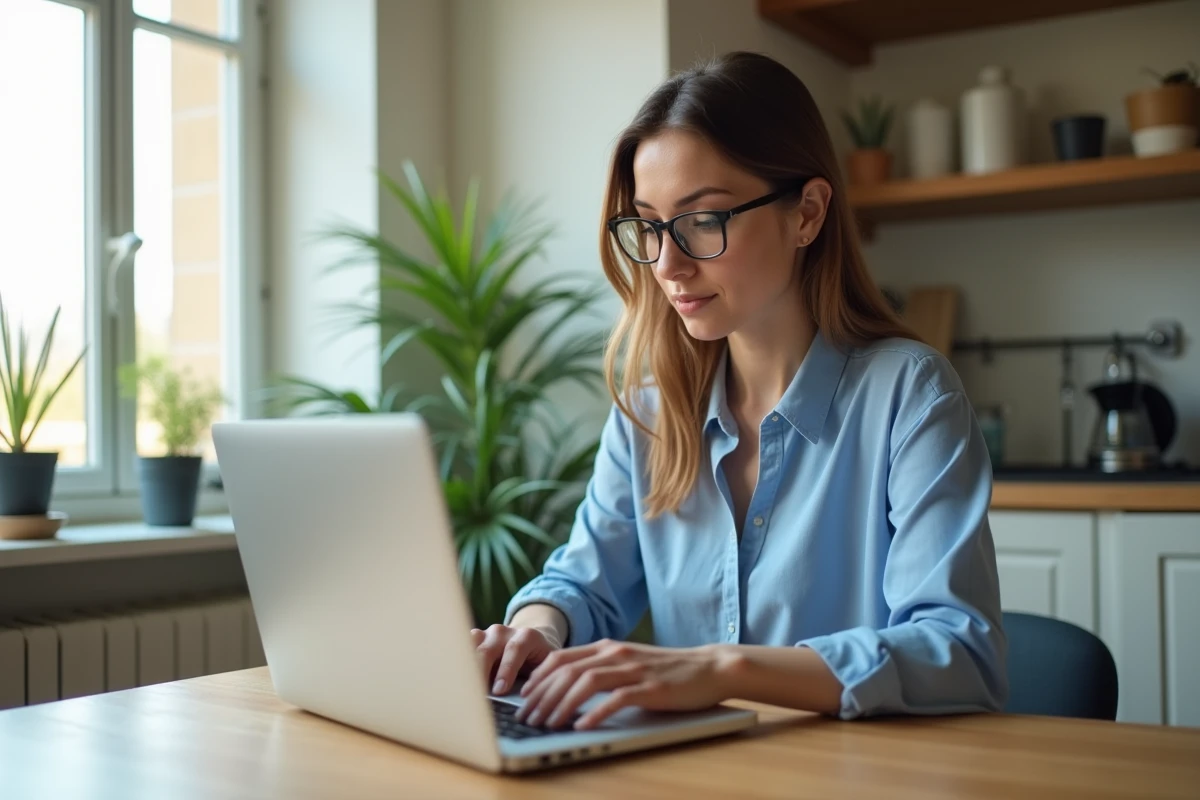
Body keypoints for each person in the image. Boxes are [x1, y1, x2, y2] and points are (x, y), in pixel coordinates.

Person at [470, 51, 1007, 732]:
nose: (668, 264)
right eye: (650, 225)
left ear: (807, 214)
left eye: (703, 220)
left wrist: (721, 669)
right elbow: (578, 584)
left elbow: (961, 650)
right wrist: (536, 631)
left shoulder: (910, 396)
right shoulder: (648, 414)